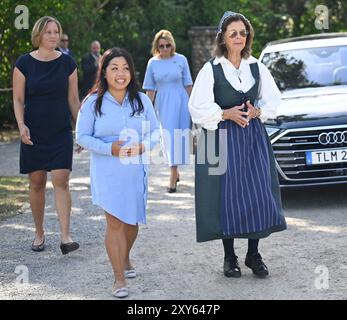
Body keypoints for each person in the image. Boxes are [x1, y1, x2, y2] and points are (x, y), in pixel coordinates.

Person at [188, 11, 286, 278]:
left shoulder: (256, 66)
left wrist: (257, 112)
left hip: (252, 137)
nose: (239, 37)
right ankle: (229, 257)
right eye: (233, 33)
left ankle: (253, 254)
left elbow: (274, 100)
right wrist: (225, 113)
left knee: (257, 192)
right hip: (221, 139)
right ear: (223, 37)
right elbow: (197, 106)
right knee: (226, 196)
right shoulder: (212, 69)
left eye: (243, 32)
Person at [76, 47, 159, 298]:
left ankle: (125, 257)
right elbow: (81, 136)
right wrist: (108, 148)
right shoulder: (92, 102)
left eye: (125, 68)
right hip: (106, 168)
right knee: (114, 223)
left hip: (134, 169)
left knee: (131, 223)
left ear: (132, 73)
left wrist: (144, 146)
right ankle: (119, 278)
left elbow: (156, 132)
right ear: (104, 72)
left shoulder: (141, 100)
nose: (120, 74)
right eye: (114, 68)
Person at [12, 16, 80, 255]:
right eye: (49, 32)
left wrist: (80, 129)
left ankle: (65, 237)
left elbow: (73, 99)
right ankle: (39, 232)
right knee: (37, 182)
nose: (53, 36)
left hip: (60, 130)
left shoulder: (68, 63)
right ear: (39, 34)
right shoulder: (23, 63)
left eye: (56, 32)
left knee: (61, 179)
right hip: (33, 130)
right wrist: (21, 125)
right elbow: (18, 99)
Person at [143, 29, 193, 193]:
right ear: (157, 46)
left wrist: (194, 106)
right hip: (163, 104)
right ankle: (174, 172)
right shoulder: (153, 63)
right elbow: (150, 89)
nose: (165, 49)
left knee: (179, 137)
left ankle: (173, 173)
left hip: (181, 102)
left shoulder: (181, 59)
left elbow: (188, 84)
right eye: (162, 46)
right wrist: (145, 111)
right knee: (167, 138)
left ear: (172, 45)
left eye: (168, 45)